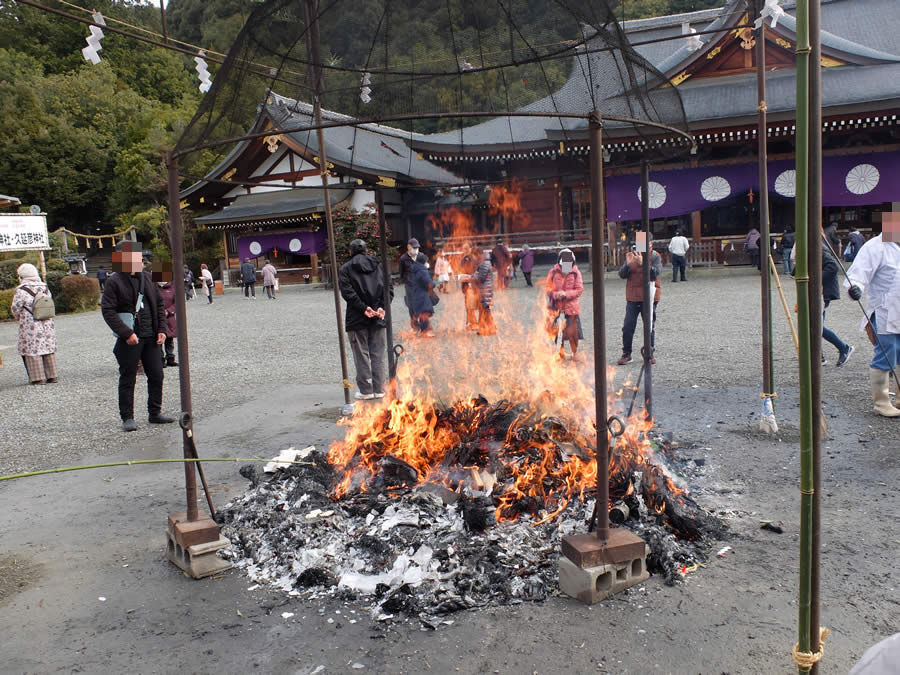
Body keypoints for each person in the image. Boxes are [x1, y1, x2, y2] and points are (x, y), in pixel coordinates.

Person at [101, 241, 174, 432]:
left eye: (140, 258)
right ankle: (127, 417)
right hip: (130, 338)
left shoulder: (148, 278)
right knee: (128, 377)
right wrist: (126, 333)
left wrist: (162, 330)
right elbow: (108, 311)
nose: (140, 261)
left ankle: (155, 412)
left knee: (157, 374)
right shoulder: (114, 281)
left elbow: (158, 305)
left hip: (151, 336)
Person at [846, 219, 900, 417]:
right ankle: (882, 402)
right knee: (886, 351)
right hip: (885, 308)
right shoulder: (875, 247)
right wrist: (856, 288)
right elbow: (858, 274)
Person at [338, 239, 392, 400]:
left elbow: (348, 293)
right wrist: (382, 307)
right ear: (366, 249)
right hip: (379, 315)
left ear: (350, 252)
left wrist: (363, 308)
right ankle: (380, 387)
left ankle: (366, 389)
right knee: (378, 353)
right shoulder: (379, 265)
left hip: (357, 316)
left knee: (361, 354)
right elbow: (389, 288)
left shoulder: (346, 268)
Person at [9, 263, 58, 385]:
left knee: (32, 349)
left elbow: (16, 307)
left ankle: (38, 378)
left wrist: (18, 317)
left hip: (30, 323)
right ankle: (52, 376)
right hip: (47, 322)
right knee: (47, 347)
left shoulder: (21, 290)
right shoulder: (45, 287)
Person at [617, 237, 662, 365]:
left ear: (651, 244)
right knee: (628, 326)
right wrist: (629, 265)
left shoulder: (655, 256)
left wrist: (643, 263)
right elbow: (621, 274)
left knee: (649, 326)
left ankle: (649, 352)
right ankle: (627, 353)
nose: (642, 246)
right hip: (633, 296)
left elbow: (655, 274)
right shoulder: (631, 255)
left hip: (649, 295)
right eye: (640, 243)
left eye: (645, 243)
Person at [545, 248, 584, 360]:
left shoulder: (576, 273)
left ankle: (574, 353)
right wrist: (556, 294)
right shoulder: (553, 272)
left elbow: (579, 289)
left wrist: (566, 294)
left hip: (571, 308)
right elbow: (547, 287)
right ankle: (559, 353)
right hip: (557, 308)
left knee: (573, 333)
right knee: (558, 332)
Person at [821, 246, 854, 367]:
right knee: (813, 326)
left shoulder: (817, 247)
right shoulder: (809, 247)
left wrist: (815, 277)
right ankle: (818, 355)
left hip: (821, 292)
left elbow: (833, 266)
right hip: (816, 291)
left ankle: (843, 347)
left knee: (815, 326)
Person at [398, 238, 427, 327]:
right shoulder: (403, 258)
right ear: (408, 247)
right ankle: (415, 326)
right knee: (412, 306)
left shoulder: (421, 256)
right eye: (414, 247)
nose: (416, 249)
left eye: (417, 247)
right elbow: (401, 272)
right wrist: (407, 280)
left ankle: (424, 326)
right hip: (410, 285)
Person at [154, 262, 178, 368]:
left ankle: (170, 358)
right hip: (157, 317)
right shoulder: (153, 287)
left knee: (169, 339)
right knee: (159, 339)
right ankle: (160, 359)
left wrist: (169, 311)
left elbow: (177, 303)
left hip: (170, 317)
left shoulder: (172, 287)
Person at [408, 257, 435, 337]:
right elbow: (428, 283)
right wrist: (433, 284)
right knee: (424, 313)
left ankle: (420, 329)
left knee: (421, 313)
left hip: (416, 294)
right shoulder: (422, 271)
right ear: (424, 262)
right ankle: (425, 331)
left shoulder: (415, 269)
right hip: (423, 295)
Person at [472, 248, 497, 336]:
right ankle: (488, 328)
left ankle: (490, 328)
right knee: (485, 311)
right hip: (485, 289)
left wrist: (471, 278)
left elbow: (480, 278)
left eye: (475, 256)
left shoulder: (484, 264)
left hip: (484, 290)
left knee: (485, 311)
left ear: (479, 255)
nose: (475, 258)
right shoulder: (485, 263)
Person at [458, 245, 480, 331]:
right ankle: (471, 322)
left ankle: (476, 323)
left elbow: (477, 271)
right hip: (466, 285)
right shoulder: (462, 259)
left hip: (473, 285)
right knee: (468, 305)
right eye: (464, 248)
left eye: (467, 248)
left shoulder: (474, 259)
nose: (466, 250)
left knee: (474, 305)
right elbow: (460, 270)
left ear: (471, 249)